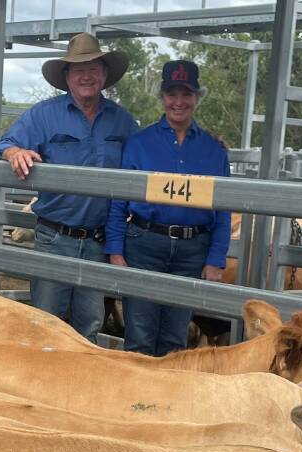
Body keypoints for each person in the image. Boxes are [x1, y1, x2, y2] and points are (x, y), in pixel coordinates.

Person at [0, 33, 139, 343]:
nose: (87, 76)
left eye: (94, 68)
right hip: (55, 236)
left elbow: (143, 160)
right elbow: (5, 143)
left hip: (99, 240)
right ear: (67, 77)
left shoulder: (122, 122)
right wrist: (14, 153)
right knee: (45, 322)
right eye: (78, 69)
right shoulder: (45, 115)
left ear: (104, 75)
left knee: (89, 324)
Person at [106, 60, 231, 357]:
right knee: (139, 333)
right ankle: (135, 400)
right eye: (171, 94)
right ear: (161, 97)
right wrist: (115, 250)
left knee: (176, 336)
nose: (178, 102)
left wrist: (215, 258)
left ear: (197, 97)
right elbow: (118, 201)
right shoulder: (139, 144)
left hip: (191, 249)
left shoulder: (215, 151)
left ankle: (164, 401)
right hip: (145, 244)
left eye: (186, 94)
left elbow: (224, 208)